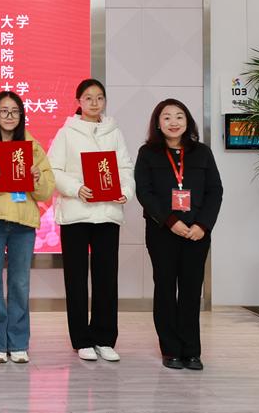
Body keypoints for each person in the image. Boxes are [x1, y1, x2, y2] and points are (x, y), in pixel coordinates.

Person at [47, 78, 135, 362]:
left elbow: (125, 167)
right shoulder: (66, 132)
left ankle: (105, 338)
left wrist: (125, 191)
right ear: (79, 102)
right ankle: (81, 340)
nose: (94, 103)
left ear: (105, 101)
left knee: (106, 278)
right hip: (76, 213)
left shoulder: (114, 132)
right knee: (75, 279)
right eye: (88, 98)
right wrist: (76, 189)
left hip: (107, 213)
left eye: (99, 98)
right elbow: (53, 170)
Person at [0, 91, 55, 364]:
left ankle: (18, 342)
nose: (9, 116)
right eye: (3, 111)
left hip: (23, 223)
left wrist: (37, 178)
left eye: (14, 111)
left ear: (21, 115)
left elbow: (46, 191)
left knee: (19, 284)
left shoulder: (33, 146)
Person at [135, 99, 223, 371]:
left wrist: (203, 225)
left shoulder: (202, 153)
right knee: (165, 288)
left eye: (179, 116)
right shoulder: (147, 153)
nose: (173, 122)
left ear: (188, 122)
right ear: (158, 123)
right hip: (162, 232)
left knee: (191, 290)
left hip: (196, 233)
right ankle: (171, 349)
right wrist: (170, 221)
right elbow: (144, 192)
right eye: (167, 117)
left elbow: (215, 191)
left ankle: (191, 351)